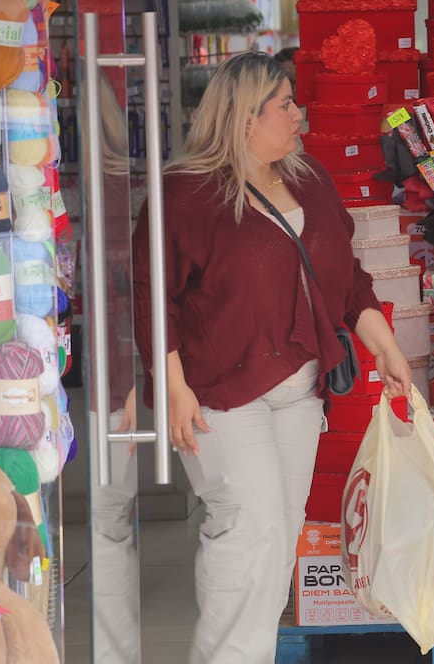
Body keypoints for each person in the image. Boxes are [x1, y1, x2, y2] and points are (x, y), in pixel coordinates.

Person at [132, 51, 411, 664]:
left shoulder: (308, 178)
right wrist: (173, 386)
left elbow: (345, 276)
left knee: (279, 536)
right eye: (285, 104)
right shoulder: (185, 195)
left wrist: (383, 344)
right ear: (244, 116)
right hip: (221, 396)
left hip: (299, 391)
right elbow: (155, 300)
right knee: (247, 532)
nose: (298, 113)